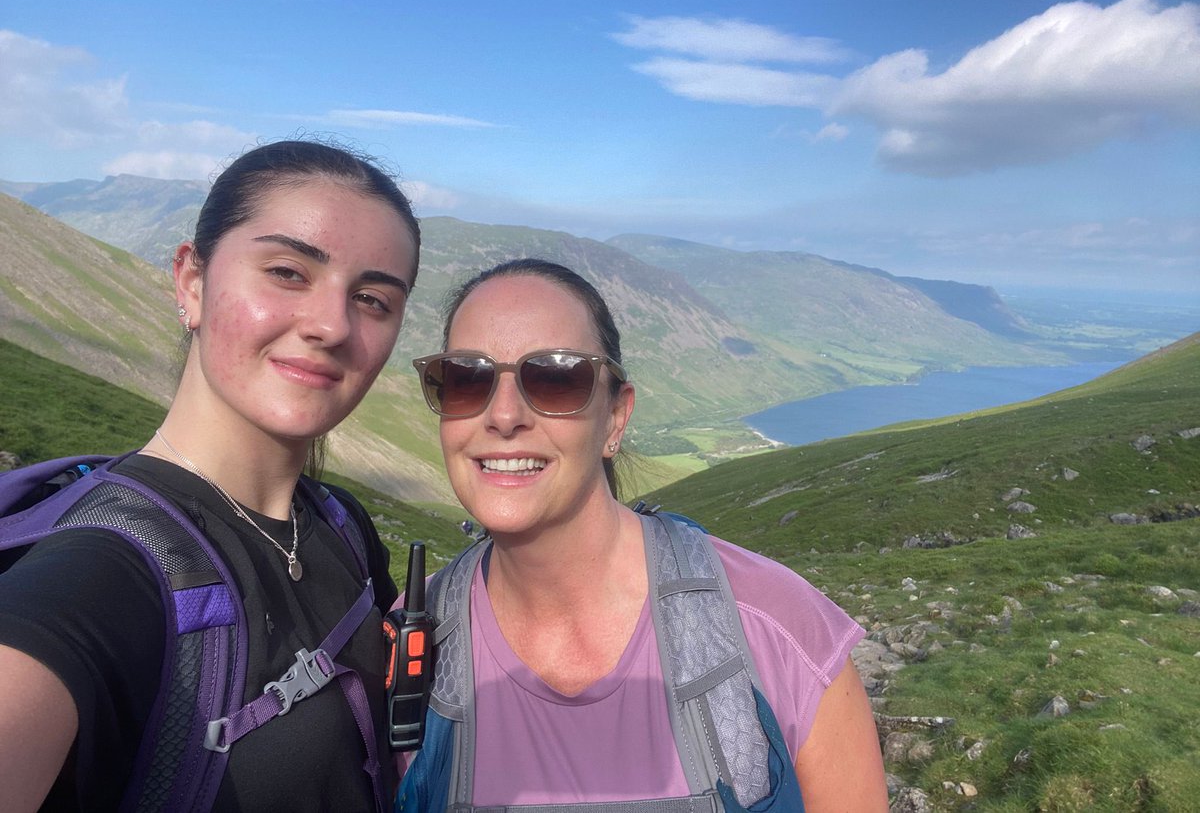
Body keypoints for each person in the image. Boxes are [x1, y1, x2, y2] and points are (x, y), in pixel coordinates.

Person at [0, 139, 421, 812]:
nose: (331, 324)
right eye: (287, 272)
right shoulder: (102, 574)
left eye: (373, 300)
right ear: (192, 283)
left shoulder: (341, 523)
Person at [399, 258, 888, 811]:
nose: (504, 414)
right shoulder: (408, 649)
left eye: (557, 377)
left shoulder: (777, 627)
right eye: (467, 378)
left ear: (614, 419)